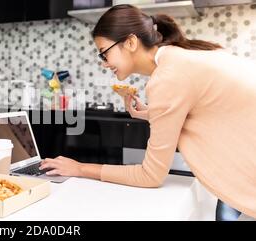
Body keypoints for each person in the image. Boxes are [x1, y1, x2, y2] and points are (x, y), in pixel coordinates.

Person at [39, 4, 256, 219]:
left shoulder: (168, 77)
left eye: (104, 53)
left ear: (131, 42)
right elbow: (209, 110)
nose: (104, 64)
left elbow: (150, 176)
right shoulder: (182, 56)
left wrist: (79, 168)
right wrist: (151, 113)